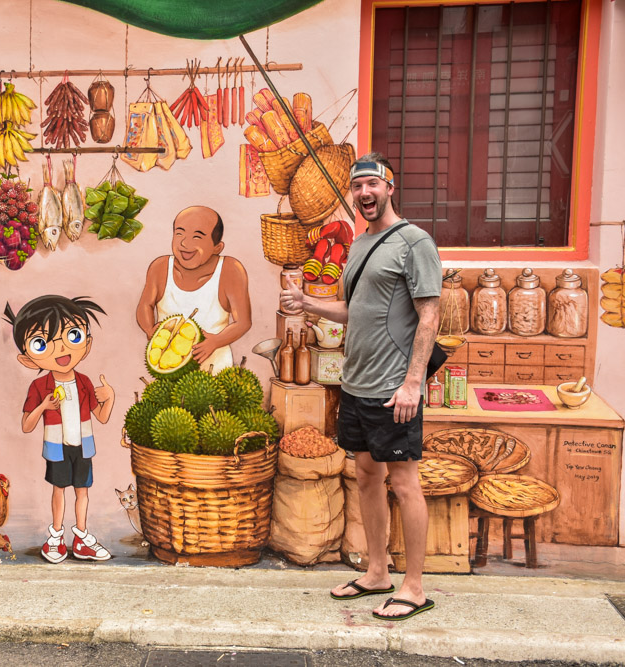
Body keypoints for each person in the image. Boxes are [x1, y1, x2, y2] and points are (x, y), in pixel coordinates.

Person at [280, 152, 441, 621]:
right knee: (368, 477)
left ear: (391, 187)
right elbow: (357, 311)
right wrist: (307, 302)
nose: (364, 193)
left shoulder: (414, 242)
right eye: (357, 186)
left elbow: (429, 314)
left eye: (373, 184)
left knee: (405, 484)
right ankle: (377, 572)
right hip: (356, 384)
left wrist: (413, 383)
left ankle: (414, 586)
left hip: (394, 387)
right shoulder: (361, 242)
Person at [5, 295, 116, 563]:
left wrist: (110, 397)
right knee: (59, 490)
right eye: (42, 343)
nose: (61, 349)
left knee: (82, 491)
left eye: (73, 336)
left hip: (84, 445)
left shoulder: (85, 382)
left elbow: (100, 417)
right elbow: (26, 425)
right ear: (28, 359)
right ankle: (55, 537)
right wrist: (43, 405)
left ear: (86, 344)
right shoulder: (39, 387)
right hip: (57, 447)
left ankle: (81, 538)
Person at [136, 205, 252, 371]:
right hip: (167, 368)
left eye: (197, 237)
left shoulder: (230, 270)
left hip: (215, 371)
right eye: (179, 233)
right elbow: (145, 305)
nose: (184, 243)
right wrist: (149, 329)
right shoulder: (160, 267)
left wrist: (215, 342)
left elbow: (243, 322)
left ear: (217, 247)